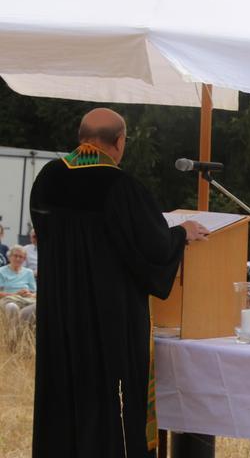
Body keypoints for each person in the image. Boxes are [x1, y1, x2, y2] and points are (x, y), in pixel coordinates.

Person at [29, 108, 209, 457]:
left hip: (61, 317)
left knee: (63, 400)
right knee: (107, 407)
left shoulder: (46, 180)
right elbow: (153, 247)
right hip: (106, 323)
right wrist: (180, 234)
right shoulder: (120, 186)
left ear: (81, 137)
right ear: (120, 142)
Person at [0, 244, 37, 325]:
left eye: (21, 257)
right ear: (9, 257)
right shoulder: (1, 271)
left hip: (26, 301)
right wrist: (15, 294)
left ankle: (20, 331)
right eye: (15, 256)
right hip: (9, 301)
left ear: (24, 259)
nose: (18, 259)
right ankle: (14, 335)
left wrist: (29, 294)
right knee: (12, 307)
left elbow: (35, 293)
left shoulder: (29, 272)